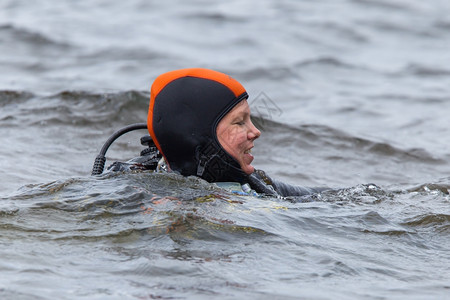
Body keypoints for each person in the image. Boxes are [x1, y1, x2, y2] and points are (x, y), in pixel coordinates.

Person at [144, 68, 325, 197]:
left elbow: (317, 197)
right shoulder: (151, 195)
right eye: (239, 122)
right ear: (198, 138)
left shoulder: (254, 182)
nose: (256, 131)